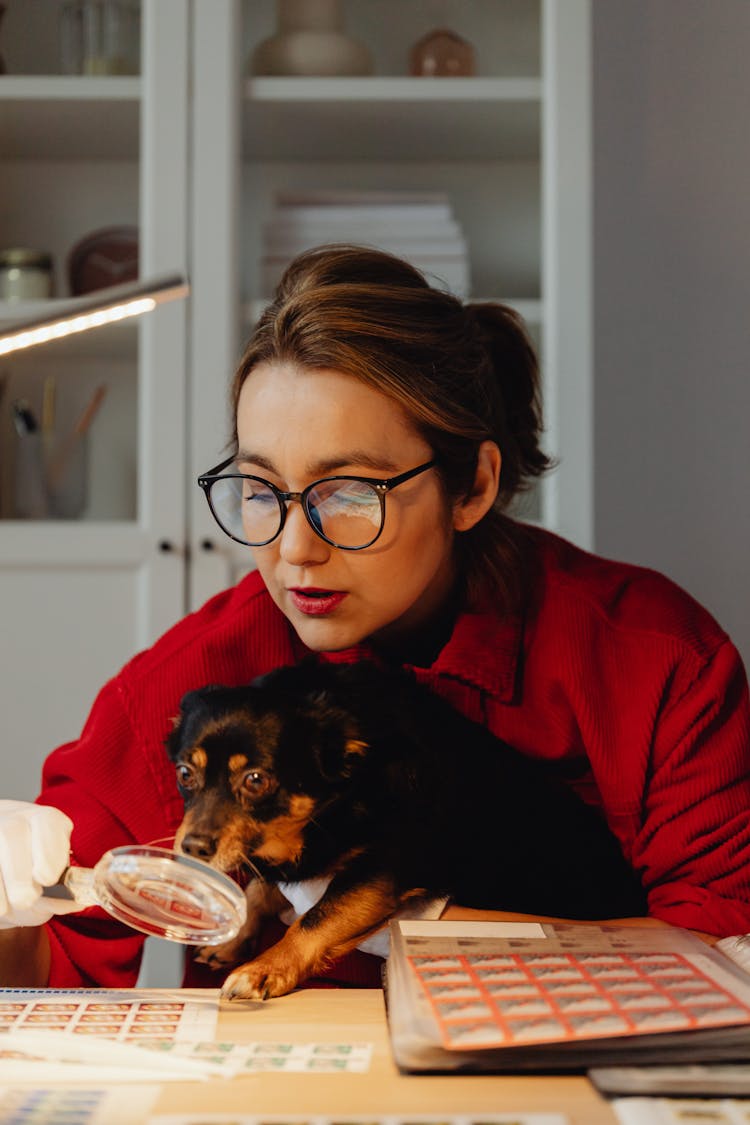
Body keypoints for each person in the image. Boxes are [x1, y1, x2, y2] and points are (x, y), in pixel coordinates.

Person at [1, 244, 750, 990]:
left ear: (473, 486)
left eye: (350, 492)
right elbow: (48, 970)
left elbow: (720, 947)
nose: (294, 549)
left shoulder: (652, 657)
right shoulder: (196, 682)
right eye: (261, 490)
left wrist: (419, 921)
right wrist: (11, 910)